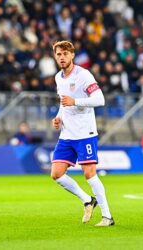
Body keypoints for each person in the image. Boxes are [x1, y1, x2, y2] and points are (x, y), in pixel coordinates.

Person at [51, 41, 114, 226]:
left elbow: (99, 99)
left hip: (85, 132)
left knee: (89, 174)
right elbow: (64, 102)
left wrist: (76, 101)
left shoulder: (83, 75)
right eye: (58, 54)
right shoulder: (58, 78)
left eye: (64, 53)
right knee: (56, 173)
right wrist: (58, 117)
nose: (61, 57)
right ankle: (88, 200)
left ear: (72, 55)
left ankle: (107, 216)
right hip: (66, 134)